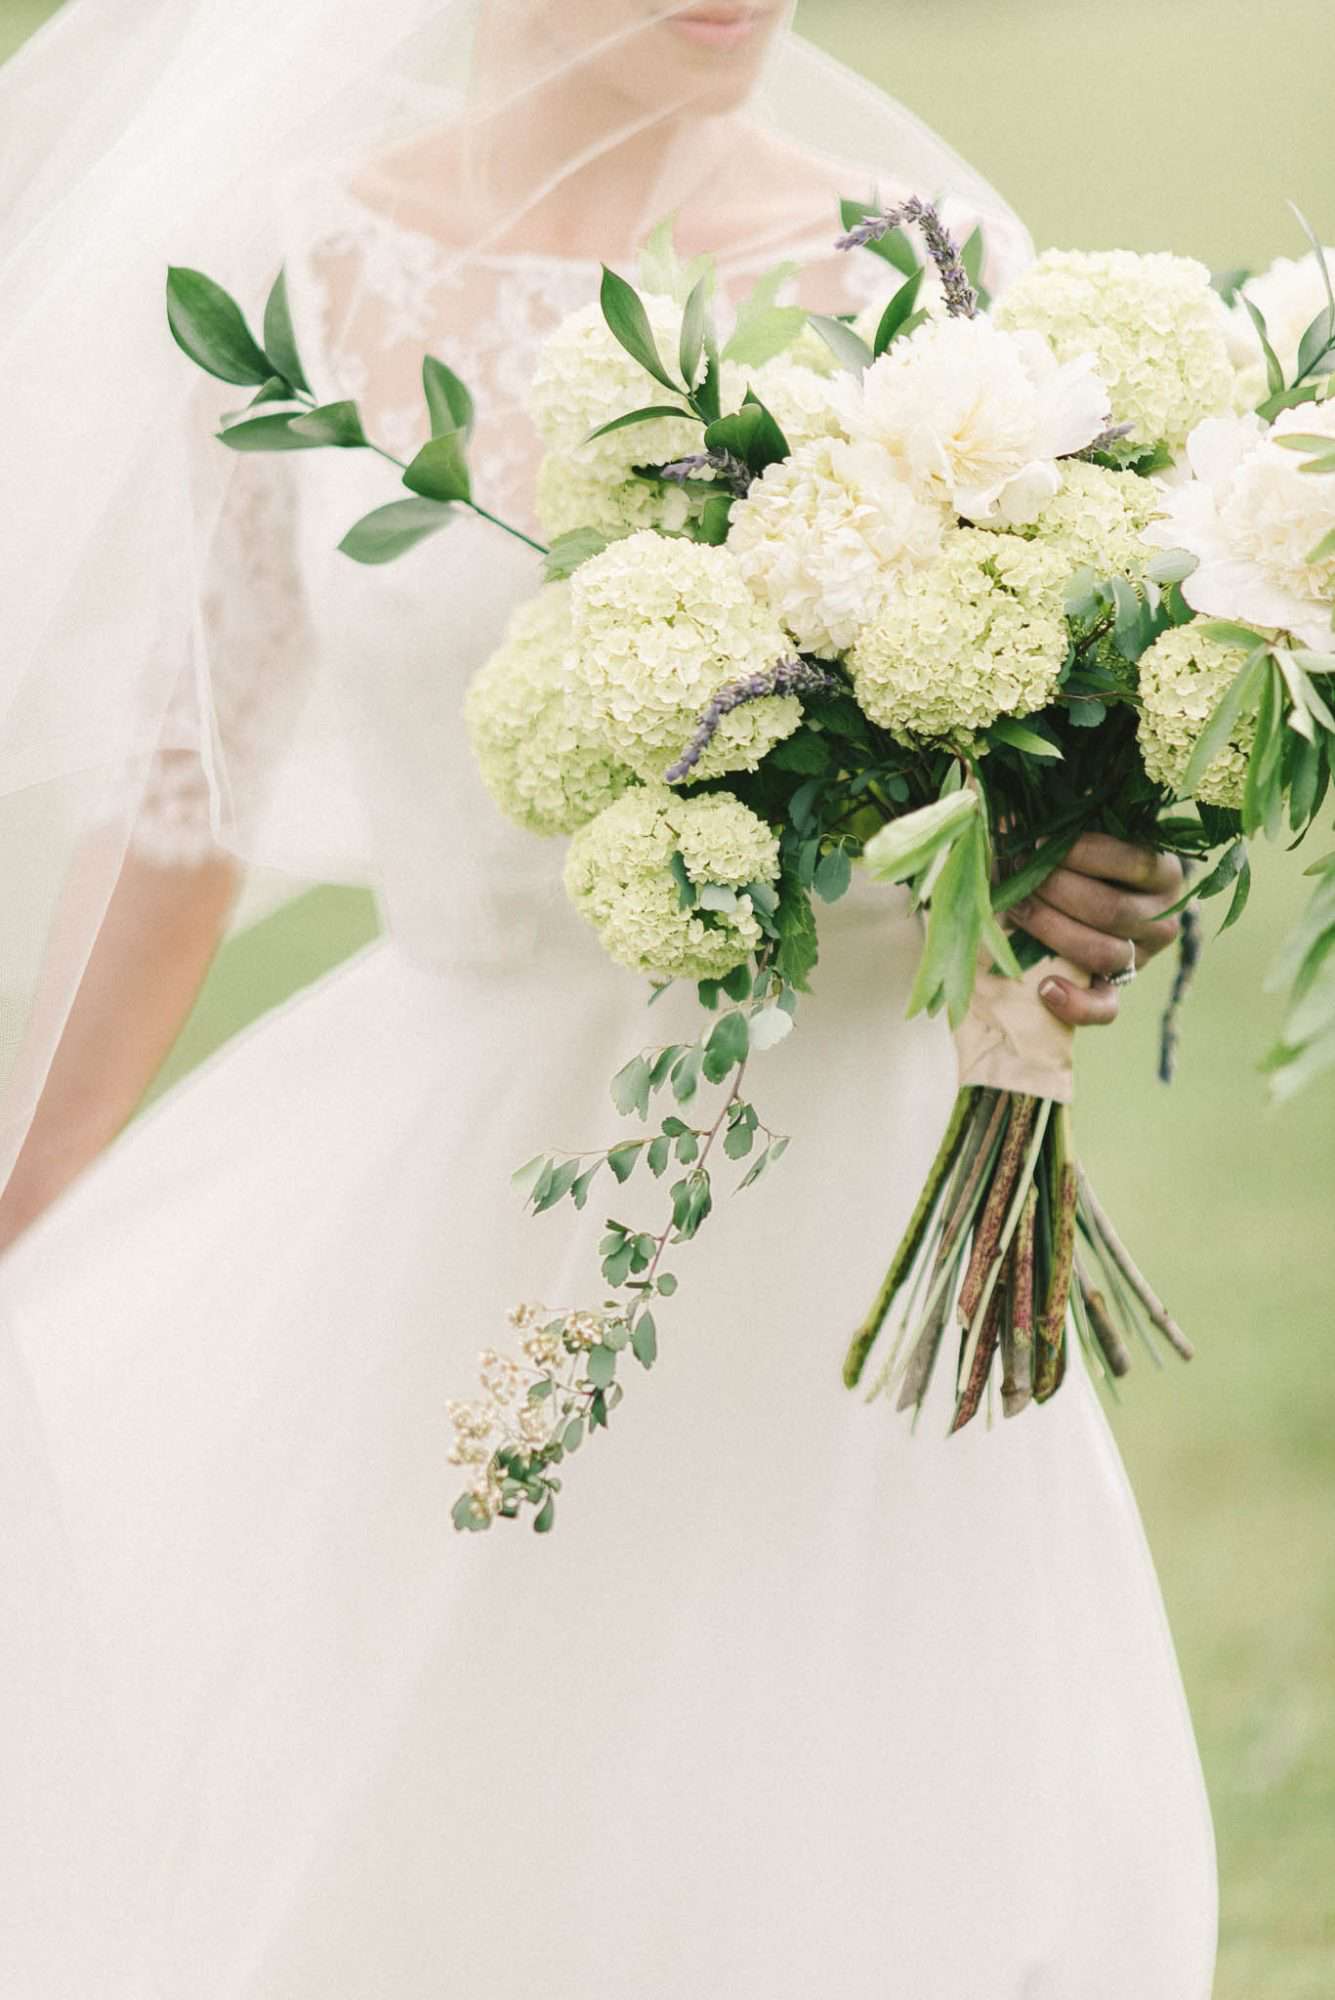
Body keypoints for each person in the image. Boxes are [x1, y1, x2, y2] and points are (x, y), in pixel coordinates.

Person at [0, 3, 1214, 1994]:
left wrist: (1063, 865)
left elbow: (1020, 722)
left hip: (835, 1173)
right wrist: (32, 1191)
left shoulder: (913, 272)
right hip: (454, 1173)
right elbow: (177, 789)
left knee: (834, 1796)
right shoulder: (292, 285)